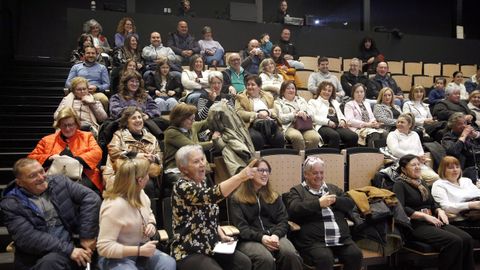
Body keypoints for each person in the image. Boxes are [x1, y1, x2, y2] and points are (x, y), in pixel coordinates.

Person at [0, 158, 101, 270]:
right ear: (19, 182)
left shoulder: (60, 182)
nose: (41, 177)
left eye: (42, 171)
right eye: (32, 176)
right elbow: (28, 238)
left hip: (70, 249)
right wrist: (69, 250)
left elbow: (91, 198)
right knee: (52, 261)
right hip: (37, 258)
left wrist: (87, 235)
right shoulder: (11, 204)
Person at [171, 144, 255, 270]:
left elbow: (208, 212)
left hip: (211, 246)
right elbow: (212, 195)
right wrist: (240, 177)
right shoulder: (182, 186)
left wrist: (220, 233)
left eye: (202, 159)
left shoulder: (203, 182)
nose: (202, 164)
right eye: (196, 161)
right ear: (184, 169)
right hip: (188, 250)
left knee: (244, 263)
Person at [393, 154, 474, 270]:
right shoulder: (399, 184)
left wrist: (439, 210)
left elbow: (432, 203)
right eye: (413, 165)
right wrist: (424, 216)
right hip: (415, 224)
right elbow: (400, 208)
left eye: (418, 164)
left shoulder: (422, 183)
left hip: (432, 220)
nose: (417, 167)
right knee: (453, 241)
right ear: (403, 169)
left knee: (466, 239)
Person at [97, 157, 176, 270]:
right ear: (140, 180)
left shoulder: (140, 193)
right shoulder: (114, 206)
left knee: (168, 263)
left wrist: (151, 225)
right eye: (147, 175)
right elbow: (104, 248)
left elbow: (150, 215)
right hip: (115, 257)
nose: (148, 178)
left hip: (140, 248)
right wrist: (138, 251)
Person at [285, 156, 363, 270]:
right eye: (315, 173)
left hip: (341, 239)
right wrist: (318, 203)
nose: (319, 176)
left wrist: (335, 200)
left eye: (321, 172)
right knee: (325, 258)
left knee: (355, 254)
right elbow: (294, 209)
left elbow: (350, 203)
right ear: (306, 174)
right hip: (314, 242)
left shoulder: (332, 189)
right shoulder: (297, 191)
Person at [230, 159, 303, 270]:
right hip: (249, 239)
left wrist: (275, 235)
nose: (265, 174)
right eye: (261, 170)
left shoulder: (274, 196)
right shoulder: (237, 199)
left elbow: (283, 220)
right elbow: (242, 228)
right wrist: (262, 237)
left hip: (274, 236)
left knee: (290, 254)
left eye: (267, 171)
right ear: (251, 172)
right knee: (265, 258)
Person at [28, 107, 103, 194]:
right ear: (59, 125)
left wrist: (75, 160)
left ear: (76, 124)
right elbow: (31, 159)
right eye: (64, 125)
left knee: (71, 190)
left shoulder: (87, 136)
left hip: (84, 176)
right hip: (54, 177)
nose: (67, 129)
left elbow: (97, 153)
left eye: (70, 125)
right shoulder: (47, 140)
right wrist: (50, 158)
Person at [102, 107, 163, 199]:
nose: (138, 120)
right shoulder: (119, 135)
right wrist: (137, 155)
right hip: (123, 173)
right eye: (134, 118)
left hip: (146, 173)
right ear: (127, 122)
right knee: (138, 183)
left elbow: (159, 156)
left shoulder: (151, 138)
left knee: (148, 184)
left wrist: (153, 158)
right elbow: (113, 152)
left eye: (139, 117)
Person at [163, 103, 218, 197]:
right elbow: (193, 147)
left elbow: (207, 122)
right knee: (190, 186)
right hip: (175, 169)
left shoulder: (192, 127)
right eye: (191, 119)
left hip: (193, 166)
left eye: (194, 118)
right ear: (180, 119)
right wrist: (214, 142)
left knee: (205, 177)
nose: (193, 121)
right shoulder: (171, 133)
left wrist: (216, 109)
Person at [432, 156, 480, 239]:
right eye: (450, 168)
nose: (455, 170)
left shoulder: (466, 181)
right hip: (460, 221)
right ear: (443, 170)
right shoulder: (439, 184)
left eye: (457, 167)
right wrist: (471, 205)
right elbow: (445, 207)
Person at [109, 71, 166, 138]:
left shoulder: (145, 96)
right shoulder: (116, 97)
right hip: (126, 125)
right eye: (132, 81)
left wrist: (148, 115)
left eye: (137, 82)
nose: (135, 84)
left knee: (163, 122)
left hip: (145, 121)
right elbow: (115, 111)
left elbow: (155, 108)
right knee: (145, 128)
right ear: (126, 83)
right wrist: (135, 114)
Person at [235, 74, 285, 150]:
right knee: (256, 139)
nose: (250, 87)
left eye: (253, 85)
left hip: (270, 123)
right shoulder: (241, 97)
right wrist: (257, 115)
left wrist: (268, 112)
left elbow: (276, 110)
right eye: (248, 85)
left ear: (259, 87)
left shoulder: (268, 96)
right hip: (252, 125)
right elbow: (239, 113)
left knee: (279, 138)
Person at [387, 113, 439, 184]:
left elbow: (420, 149)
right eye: (398, 122)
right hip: (403, 164)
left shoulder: (415, 134)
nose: (399, 124)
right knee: (420, 181)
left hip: (418, 163)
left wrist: (421, 157)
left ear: (409, 125)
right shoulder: (392, 135)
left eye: (402, 122)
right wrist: (415, 157)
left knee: (436, 178)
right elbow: (395, 152)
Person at [308, 81, 358, 149]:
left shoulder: (335, 102)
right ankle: (333, 158)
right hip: (323, 126)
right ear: (320, 90)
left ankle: (345, 156)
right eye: (324, 90)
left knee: (353, 136)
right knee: (334, 136)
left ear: (332, 93)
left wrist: (343, 120)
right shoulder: (313, 102)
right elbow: (312, 117)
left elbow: (341, 115)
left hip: (337, 126)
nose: (326, 92)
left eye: (329, 91)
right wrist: (328, 122)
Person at [275, 81, 321, 150]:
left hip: (304, 125)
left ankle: (309, 158)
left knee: (314, 137)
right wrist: (294, 115)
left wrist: (305, 113)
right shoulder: (278, 102)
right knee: (296, 137)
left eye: (293, 88)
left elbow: (311, 114)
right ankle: (301, 158)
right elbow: (280, 118)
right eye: (288, 88)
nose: (291, 90)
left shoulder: (301, 100)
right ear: (283, 91)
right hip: (289, 126)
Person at [65, 45, 109, 111]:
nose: (90, 55)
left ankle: (101, 121)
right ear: (84, 55)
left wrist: (97, 88)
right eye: (88, 53)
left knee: (104, 99)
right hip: (78, 93)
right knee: (67, 101)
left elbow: (107, 84)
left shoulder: (102, 68)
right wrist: (78, 89)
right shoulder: (76, 67)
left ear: (97, 55)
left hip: (95, 93)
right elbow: (68, 83)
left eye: (93, 53)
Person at [344, 83, 385, 147]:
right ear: (353, 93)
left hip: (369, 127)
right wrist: (367, 124)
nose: (359, 94)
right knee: (374, 134)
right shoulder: (349, 104)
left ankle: (381, 154)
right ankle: (371, 154)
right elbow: (350, 121)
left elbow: (372, 117)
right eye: (357, 92)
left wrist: (374, 123)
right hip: (357, 128)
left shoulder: (367, 103)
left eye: (361, 92)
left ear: (364, 93)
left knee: (385, 133)